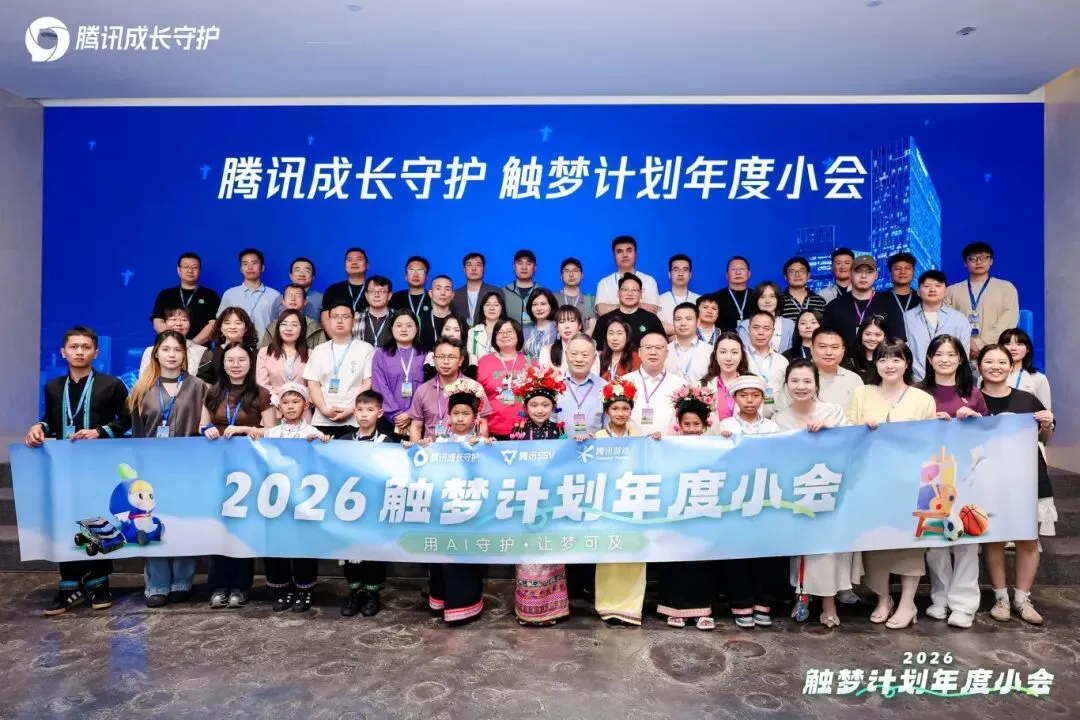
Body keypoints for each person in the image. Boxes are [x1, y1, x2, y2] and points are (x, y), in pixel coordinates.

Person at [26, 326, 131, 615]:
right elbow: (51, 420)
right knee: (66, 519)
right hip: (64, 467)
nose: (80, 352)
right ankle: (69, 583)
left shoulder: (111, 385)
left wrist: (100, 431)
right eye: (74, 347)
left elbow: (128, 419)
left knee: (96, 519)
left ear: (96, 352)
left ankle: (99, 582)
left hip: (98, 465)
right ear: (63, 352)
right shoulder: (53, 387)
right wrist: (39, 427)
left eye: (86, 347)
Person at [847, 338, 935, 629]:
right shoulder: (862, 393)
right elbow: (847, 434)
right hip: (870, 482)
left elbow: (931, 441)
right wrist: (861, 429)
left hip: (911, 483)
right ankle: (883, 598)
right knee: (875, 543)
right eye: (883, 359)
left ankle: (908, 603)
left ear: (907, 363)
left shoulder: (922, 399)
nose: (889, 365)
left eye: (896, 359)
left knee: (910, 544)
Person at [129, 330, 207, 608]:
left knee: (183, 523)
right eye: (166, 349)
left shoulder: (199, 387)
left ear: (185, 354)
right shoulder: (142, 389)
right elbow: (136, 433)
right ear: (156, 354)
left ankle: (182, 581)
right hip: (152, 469)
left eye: (177, 350)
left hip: (188, 468)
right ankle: (157, 584)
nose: (172, 355)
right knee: (152, 523)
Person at [773, 360, 854, 628]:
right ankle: (802, 596)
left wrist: (829, 433)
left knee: (827, 550)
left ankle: (829, 602)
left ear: (816, 384)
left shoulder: (833, 412)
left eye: (807, 381)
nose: (801, 386)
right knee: (800, 550)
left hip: (829, 490)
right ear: (786, 385)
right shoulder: (779, 419)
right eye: (795, 381)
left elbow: (850, 445)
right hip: (794, 492)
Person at [979, 345, 1053, 625]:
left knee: (1028, 539)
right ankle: (1001, 598)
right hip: (988, 479)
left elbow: (1044, 439)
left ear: (1011, 366)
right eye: (989, 361)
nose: (995, 366)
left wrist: (1047, 424)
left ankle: (1022, 598)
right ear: (979, 366)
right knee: (994, 538)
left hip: (1028, 476)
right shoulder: (973, 400)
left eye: (1002, 362)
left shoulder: (1027, 399)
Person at [200, 343, 276, 609]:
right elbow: (202, 424)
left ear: (250, 362)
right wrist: (207, 430)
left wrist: (244, 429)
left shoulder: (261, 393)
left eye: (241, 360)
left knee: (243, 528)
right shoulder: (212, 392)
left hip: (249, 470)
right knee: (219, 527)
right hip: (217, 469)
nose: (236, 365)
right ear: (223, 364)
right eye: (230, 360)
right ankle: (218, 585)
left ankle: (241, 586)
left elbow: (272, 431)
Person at [919, 336, 986, 629]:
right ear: (929, 359)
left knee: (967, 539)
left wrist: (975, 419)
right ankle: (940, 598)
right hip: (930, 475)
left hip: (967, 475)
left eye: (951, 354)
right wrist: (927, 420)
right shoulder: (919, 392)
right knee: (935, 539)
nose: (944, 359)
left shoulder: (974, 393)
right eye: (938, 354)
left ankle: (964, 604)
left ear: (961, 359)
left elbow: (988, 435)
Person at [715, 375, 785, 628]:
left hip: (766, 494)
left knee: (766, 551)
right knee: (738, 552)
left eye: (755, 395)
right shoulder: (726, 425)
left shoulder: (773, 427)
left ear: (763, 398)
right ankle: (741, 603)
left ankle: (764, 603)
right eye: (743, 395)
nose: (750, 401)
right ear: (734, 398)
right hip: (736, 497)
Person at [508, 366, 570, 626]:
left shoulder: (560, 431)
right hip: (525, 500)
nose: (540, 410)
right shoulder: (517, 430)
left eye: (545, 404)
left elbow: (568, 462)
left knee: (551, 553)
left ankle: (552, 609)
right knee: (527, 556)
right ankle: (527, 610)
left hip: (552, 500)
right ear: (526, 406)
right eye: (534, 405)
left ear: (553, 406)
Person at [261, 382, 330, 614]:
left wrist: (323, 443)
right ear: (278, 407)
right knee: (277, 544)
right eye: (286, 402)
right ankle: (282, 589)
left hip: (303, 499)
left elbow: (323, 459)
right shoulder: (271, 433)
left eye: (296, 402)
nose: (290, 407)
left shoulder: (312, 433)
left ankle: (304, 589)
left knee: (303, 545)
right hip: (276, 499)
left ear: (306, 405)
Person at [426, 379, 490, 625]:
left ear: (475, 417)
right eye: (456, 413)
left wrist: (485, 447)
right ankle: (440, 600)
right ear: (448, 416)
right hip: (443, 506)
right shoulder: (439, 442)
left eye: (466, 413)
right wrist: (417, 448)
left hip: (470, 508)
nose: (460, 418)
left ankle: (465, 606)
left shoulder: (483, 443)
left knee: (464, 556)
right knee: (442, 556)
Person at [657, 385, 717, 630]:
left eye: (696, 424)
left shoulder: (715, 446)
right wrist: (654, 442)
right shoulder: (669, 445)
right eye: (687, 424)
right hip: (676, 510)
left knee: (702, 560)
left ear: (705, 424)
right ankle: (674, 610)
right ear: (679, 425)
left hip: (704, 509)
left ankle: (703, 610)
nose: (691, 429)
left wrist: (728, 439)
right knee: (675, 559)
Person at [339, 390, 400, 618]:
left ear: (380, 413)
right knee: (350, 551)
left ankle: (372, 594)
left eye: (370, 410)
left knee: (373, 550)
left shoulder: (387, 442)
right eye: (360, 410)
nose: (364, 415)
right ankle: (355, 591)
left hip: (375, 506)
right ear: (354, 412)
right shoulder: (344, 441)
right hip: (348, 507)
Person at [592, 379, 646, 625]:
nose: (620, 413)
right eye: (615, 408)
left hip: (634, 500)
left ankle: (631, 608)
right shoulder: (597, 437)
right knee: (608, 554)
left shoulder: (640, 437)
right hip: (606, 502)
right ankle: (607, 605)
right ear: (606, 411)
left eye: (625, 408)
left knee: (633, 553)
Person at [304, 302, 376, 438]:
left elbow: (367, 383)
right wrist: (324, 410)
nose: (339, 320)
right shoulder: (319, 350)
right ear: (329, 320)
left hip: (354, 419)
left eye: (345, 316)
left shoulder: (366, 349)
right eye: (335, 316)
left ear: (353, 321)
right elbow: (313, 383)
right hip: (322, 419)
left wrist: (351, 410)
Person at [945, 242, 1020, 359]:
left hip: (996, 354)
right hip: (961, 354)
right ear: (965, 263)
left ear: (991, 261)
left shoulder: (1006, 288)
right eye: (973, 258)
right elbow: (948, 321)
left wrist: (981, 343)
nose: (978, 262)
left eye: (984, 258)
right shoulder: (951, 291)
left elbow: (1008, 320)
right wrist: (967, 343)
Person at [407, 337, 490, 441]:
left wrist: (480, 448)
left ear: (460, 360)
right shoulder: (422, 390)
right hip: (432, 449)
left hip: (466, 448)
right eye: (441, 357)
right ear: (434, 360)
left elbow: (483, 424)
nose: (446, 361)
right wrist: (415, 450)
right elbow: (416, 427)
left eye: (451, 357)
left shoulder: (474, 388)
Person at [823, 254, 906, 353]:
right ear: (850, 274)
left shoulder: (890, 305)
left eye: (869, 272)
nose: (863, 276)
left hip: (880, 361)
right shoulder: (834, 306)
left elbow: (897, 344)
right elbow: (826, 341)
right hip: (845, 361)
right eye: (858, 271)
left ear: (876, 275)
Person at [904, 270, 971, 382]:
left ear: (945, 290)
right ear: (918, 292)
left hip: (950, 383)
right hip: (915, 382)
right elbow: (903, 352)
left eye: (938, 286)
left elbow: (963, 356)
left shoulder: (959, 320)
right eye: (926, 286)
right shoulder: (906, 318)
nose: (932, 289)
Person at [371, 310, 427, 437]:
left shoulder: (425, 354)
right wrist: (396, 415)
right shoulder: (381, 354)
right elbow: (380, 387)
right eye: (399, 325)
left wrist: (410, 414)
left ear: (416, 328)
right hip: (387, 420)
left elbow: (427, 388)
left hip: (417, 420)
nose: (404, 329)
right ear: (392, 328)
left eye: (409, 325)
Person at [476, 319, 534, 440]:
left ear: (518, 334)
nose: (505, 335)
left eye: (509, 331)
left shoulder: (530, 361)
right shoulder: (484, 362)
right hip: (492, 430)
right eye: (500, 332)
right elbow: (477, 396)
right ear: (495, 337)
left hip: (525, 428)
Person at [624, 333, 687, 438]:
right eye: (648, 347)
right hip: (632, 444)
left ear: (666, 353)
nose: (653, 352)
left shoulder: (680, 385)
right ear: (639, 352)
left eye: (658, 348)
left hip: (668, 444)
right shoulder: (625, 382)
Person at [150, 252, 219, 345]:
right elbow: (157, 322)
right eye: (186, 267)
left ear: (200, 270)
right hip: (169, 346)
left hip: (200, 348)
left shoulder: (211, 295)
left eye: (194, 267)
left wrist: (192, 344)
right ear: (178, 270)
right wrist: (175, 342)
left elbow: (213, 324)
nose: (190, 270)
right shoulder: (165, 295)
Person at [591, 274, 665, 351]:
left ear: (641, 294)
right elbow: (596, 351)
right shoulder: (604, 320)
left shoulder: (652, 320)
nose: (630, 294)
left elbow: (662, 347)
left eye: (634, 290)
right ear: (618, 293)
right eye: (625, 290)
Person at [219, 248, 281, 338]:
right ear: (241, 269)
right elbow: (220, 322)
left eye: (254, 263)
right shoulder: (229, 294)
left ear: (262, 268)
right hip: (236, 345)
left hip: (266, 345)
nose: (249, 267)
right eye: (245, 264)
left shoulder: (275, 295)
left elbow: (281, 324)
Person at [256, 309, 310, 412]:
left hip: (302, 411)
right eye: (284, 324)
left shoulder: (311, 354)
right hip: (273, 409)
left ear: (302, 329)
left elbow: (313, 385)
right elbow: (262, 384)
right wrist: (278, 400)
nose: (288, 328)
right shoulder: (264, 353)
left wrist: (300, 402)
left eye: (294, 325)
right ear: (278, 328)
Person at [594, 235, 660, 315]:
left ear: (636, 255)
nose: (625, 255)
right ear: (614, 257)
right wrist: (638, 305)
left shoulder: (649, 280)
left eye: (629, 251)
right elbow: (601, 310)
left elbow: (651, 311)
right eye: (619, 251)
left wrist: (615, 307)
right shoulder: (604, 283)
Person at [556, 334, 605, 436]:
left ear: (594, 358)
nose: (578, 359)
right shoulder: (553, 385)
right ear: (566, 355)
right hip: (559, 445)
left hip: (594, 444)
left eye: (584, 355)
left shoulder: (605, 387)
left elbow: (610, 427)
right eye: (574, 354)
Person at [743, 312, 789, 418]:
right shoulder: (740, 358)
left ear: (773, 331)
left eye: (766, 328)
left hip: (777, 419)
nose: (761, 332)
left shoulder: (782, 361)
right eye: (756, 328)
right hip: (746, 418)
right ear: (749, 329)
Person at [139, 307, 207, 377]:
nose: (178, 323)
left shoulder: (202, 351)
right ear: (165, 323)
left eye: (184, 320)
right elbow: (144, 379)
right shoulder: (150, 351)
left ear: (190, 325)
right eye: (173, 319)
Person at [700, 331, 750, 426]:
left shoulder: (751, 384)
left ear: (741, 355)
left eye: (734, 352)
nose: (728, 358)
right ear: (715, 354)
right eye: (723, 352)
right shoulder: (701, 386)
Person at [198, 307, 258, 384]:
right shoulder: (210, 353)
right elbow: (202, 381)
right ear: (221, 328)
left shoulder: (257, 354)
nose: (232, 327)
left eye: (238, 323)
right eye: (227, 323)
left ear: (246, 328)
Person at [259, 284, 326, 349]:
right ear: (283, 302)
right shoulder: (273, 326)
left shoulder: (314, 327)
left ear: (305, 302)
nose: (293, 299)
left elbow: (322, 352)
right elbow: (263, 352)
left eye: (298, 296)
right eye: (289, 295)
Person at [321, 247, 370, 335]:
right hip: (339, 338)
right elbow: (325, 317)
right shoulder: (333, 290)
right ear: (345, 267)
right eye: (350, 260)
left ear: (367, 265)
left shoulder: (375, 290)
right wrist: (337, 340)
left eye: (359, 259)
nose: (354, 262)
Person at [540, 306, 600, 376]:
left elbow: (594, 377)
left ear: (580, 325)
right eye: (562, 322)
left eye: (572, 321)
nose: (567, 326)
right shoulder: (547, 351)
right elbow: (543, 378)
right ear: (557, 327)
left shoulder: (591, 351)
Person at [1000, 328, 1052, 410]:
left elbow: (1046, 412)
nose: (1013, 348)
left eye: (1019, 344)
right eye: (1008, 344)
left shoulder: (1039, 378)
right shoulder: (989, 375)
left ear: (1027, 349)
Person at [390, 256, 436, 347]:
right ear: (405, 276)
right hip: (400, 348)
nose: (415, 275)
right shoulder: (396, 298)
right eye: (411, 271)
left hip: (428, 349)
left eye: (420, 271)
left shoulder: (433, 298)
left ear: (427, 277)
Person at [739, 282, 794, 353]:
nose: (767, 301)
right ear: (756, 300)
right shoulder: (745, 325)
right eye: (762, 297)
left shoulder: (789, 325)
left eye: (772, 296)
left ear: (778, 300)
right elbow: (745, 353)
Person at [665, 302, 712, 384]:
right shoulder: (664, 350)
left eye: (689, 319)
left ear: (698, 322)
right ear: (673, 322)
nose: (683, 323)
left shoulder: (710, 351)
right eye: (678, 319)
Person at [451, 252, 501, 327]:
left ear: (484, 269)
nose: (474, 268)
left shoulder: (495, 291)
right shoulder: (454, 295)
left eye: (478, 265)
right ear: (464, 270)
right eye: (469, 265)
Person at [422, 314, 476, 379]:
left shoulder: (471, 358)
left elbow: (471, 383)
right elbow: (430, 382)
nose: (451, 334)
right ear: (441, 332)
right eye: (447, 329)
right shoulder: (431, 356)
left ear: (463, 333)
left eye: (456, 330)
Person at [658, 254, 700, 336]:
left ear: (690, 275)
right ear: (669, 274)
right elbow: (658, 326)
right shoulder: (659, 300)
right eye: (676, 270)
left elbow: (703, 327)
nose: (680, 273)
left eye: (685, 270)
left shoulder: (699, 300)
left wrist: (671, 329)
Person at [713, 256, 757, 331]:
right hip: (724, 338)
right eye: (733, 269)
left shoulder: (757, 296)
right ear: (727, 275)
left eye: (742, 269)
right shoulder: (715, 298)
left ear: (749, 273)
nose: (738, 272)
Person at [502, 249, 543, 328]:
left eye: (528, 263)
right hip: (510, 335)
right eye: (520, 263)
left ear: (535, 267)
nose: (524, 267)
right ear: (513, 266)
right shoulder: (504, 292)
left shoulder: (543, 292)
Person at [555, 257, 596, 333]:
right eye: (567, 271)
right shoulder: (553, 298)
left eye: (575, 270)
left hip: (584, 339)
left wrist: (579, 339)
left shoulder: (589, 300)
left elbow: (592, 327)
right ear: (561, 276)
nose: (571, 274)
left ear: (582, 275)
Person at [465, 290, 507, 362]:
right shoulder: (473, 332)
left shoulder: (509, 331)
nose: (492, 308)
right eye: (487, 305)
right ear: (482, 308)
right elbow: (472, 360)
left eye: (496, 305)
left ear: (502, 309)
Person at [355, 276, 394, 347]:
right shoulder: (355, 319)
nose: (376, 295)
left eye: (381, 291)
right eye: (372, 291)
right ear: (366, 295)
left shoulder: (398, 318)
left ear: (389, 296)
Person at [421, 274, 456, 351]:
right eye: (438, 288)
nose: (442, 293)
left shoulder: (459, 321)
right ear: (430, 293)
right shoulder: (420, 320)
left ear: (452, 295)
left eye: (447, 289)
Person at [850, 316, 890, 383]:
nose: (872, 339)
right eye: (867, 334)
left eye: (878, 335)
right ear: (861, 335)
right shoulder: (851, 360)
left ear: (885, 337)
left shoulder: (891, 360)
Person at [523, 288, 560, 359]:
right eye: (534, 304)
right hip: (527, 365)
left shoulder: (558, 328)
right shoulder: (525, 329)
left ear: (551, 306)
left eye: (543, 304)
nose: (539, 308)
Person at [283, 257, 322, 322]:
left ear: (313, 277)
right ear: (290, 276)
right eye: (297, 270)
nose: (301, 274)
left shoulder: (321, 299)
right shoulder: (279, 300)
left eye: (307, 271)